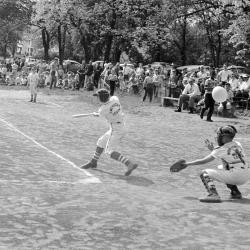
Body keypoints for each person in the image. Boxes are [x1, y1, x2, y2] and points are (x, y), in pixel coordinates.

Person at [179, 125, 250, 202]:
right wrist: (213, 150)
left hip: (236, 176)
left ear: (225, 137)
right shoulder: (238, 144)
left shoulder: (220, 150)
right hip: (246, 175)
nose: (217, 136)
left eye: (219, 135)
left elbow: (203, 161)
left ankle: (213, 195)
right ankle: (235, 193)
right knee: (221, 167)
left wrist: (187, 164)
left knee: (204, 173)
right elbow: (227, 152)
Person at [80, 89, 138, 176]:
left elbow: (100, 114)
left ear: (102, 98)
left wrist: (95, 114)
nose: (97, 98)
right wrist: (97, 113)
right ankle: (93, 162)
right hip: (120, 126)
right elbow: (107, 108)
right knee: (101, 142)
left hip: (116, 129)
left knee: (109, 151)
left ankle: (129, 164)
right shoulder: (115, 98)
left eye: (98, 97)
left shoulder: (103, 109)